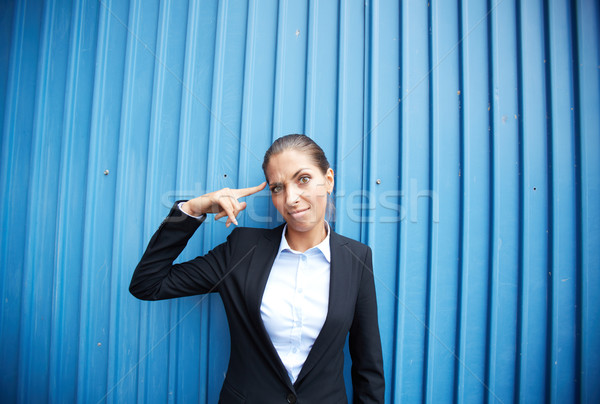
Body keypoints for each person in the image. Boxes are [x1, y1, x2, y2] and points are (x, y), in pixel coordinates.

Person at [129, 134, 385, 403]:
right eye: (278, 187)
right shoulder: (242, 250)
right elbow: (148, 284)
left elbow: (368, 367)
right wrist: (194, 208)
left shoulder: (356, 257)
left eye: (303, 179)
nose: (291, 198)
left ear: (328, 180)